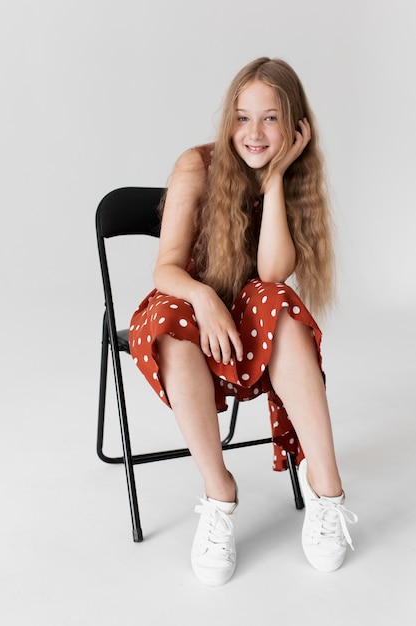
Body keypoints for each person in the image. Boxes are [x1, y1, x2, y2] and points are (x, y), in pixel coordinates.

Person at [129, 57, 358, 586]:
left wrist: (275, 178)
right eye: (241, 117)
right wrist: (205, 297)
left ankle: (327, 488)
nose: (253, 133)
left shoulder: (295, 182)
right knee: (172, 323)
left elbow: (274, 273)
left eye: (271, 118)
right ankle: (219, 494)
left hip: (248, 316)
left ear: (296, 126)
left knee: (279, 301)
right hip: (185, 303)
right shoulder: (198, 165)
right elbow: (166, 267)